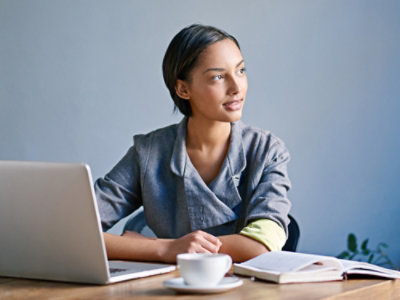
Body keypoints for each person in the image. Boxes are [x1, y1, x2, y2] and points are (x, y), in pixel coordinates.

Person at [95, 24, 291, 263]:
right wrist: (166, 249)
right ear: (183, 88)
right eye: (218, 77)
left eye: (240, 71)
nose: (236, 87)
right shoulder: (148, 152)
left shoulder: (267, 150)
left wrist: (154, 246)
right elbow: (77, 232)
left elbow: (262, 245)